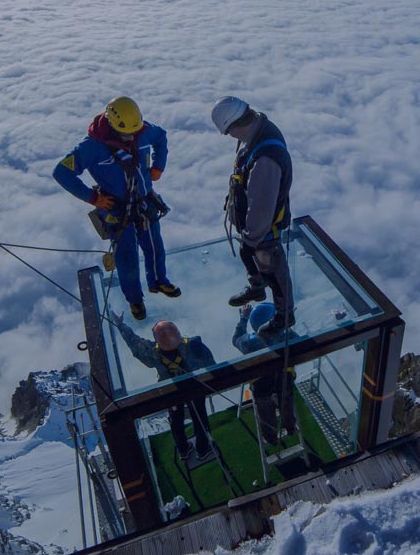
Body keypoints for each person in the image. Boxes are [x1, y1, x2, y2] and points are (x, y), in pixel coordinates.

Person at [53, 96, 180, 320]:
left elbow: (161, 137)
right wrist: (93, 197)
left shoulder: (143, 130)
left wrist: (159, 166)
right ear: (112, 125)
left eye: (134, 132)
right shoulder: (93, 146)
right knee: (126, 257)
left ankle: (159, 281)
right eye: (125, 134)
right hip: (116, 209)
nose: (131, 137)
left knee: (154, 246)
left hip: (144, 202)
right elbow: (61, 172)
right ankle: (135, 300)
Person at [211, 96, 294, 335]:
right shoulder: (258, 131)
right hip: (255, 226)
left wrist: (251, 237)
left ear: (235, 125)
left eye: (228, 131)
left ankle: (284, 316)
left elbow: (262, 205)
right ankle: (257, 287)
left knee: (274, 272)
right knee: (248, 255)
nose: (230, 136)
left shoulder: (265, 157)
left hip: (264, 230)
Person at [113, 314, 215, 460]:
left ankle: (183, 449)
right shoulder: (193, 345)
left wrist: (120, 325)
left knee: (176, 420)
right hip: (194, 387)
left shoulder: (153, 353)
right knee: (200, 416)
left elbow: (134, 343)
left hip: (170, 391)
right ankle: (203, 449)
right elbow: (211, 364)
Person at [232, 302, 297, 445]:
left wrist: (243, 318)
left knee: (264, 408)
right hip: (284, 379)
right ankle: (290, 426)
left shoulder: (248, 343)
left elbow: (236, 339)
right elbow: (299, 344)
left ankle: (270, 437)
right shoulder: (287, 334)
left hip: (261, 385)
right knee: (286, 396)